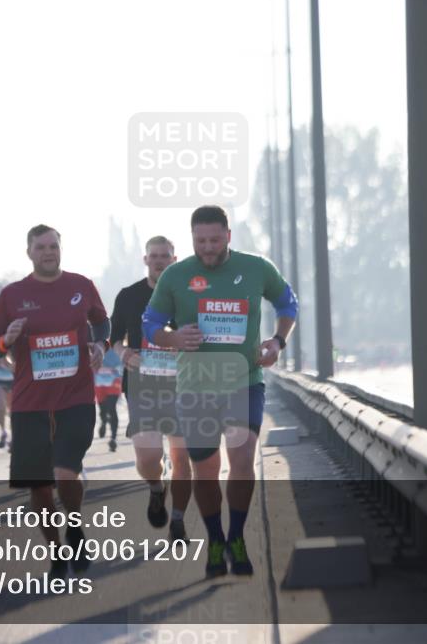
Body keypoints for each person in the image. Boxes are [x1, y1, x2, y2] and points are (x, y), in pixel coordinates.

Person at [143, 205, 297, 578]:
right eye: (201, 241)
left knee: (242, 461)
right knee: (206, 471)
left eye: (215, 240)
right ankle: (215, 539)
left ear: (228, 235)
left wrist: (277, 341)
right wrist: (173, 338)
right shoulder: (176, 276)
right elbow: (151, 323)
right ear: (192, 239)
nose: (208, 248)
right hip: (195, 388)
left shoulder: (256, 268)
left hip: (244, 382)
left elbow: (287, 302)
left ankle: (237, 536)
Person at [0, 224, 108, 579]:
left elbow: (102, 323)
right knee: (39, 488)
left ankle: (75, 525)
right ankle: (56, 554)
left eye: (53, 246)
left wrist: (101, 346)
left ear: (60, 249)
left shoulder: (81, 286)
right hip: (30, 403)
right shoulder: (12, 295)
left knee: (65, 472)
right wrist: (6, 340)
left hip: (76, 396)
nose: (48, 252)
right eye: (41, 247)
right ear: (29, 253)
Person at [111, 236, 193, 543]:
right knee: (148, 457)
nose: (159, 260)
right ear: (146, 259)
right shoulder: (128, 296)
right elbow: (114, 338)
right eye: (154, 256)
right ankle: (157, 488)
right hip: (141, 385)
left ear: (174, 259)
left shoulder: (188, 295)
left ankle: (178, 521)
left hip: (182, 386)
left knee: (181, 456)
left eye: (165, 255)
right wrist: (123, 353)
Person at [94, 347, 122, 452]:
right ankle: (104, 421)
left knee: (111, 408)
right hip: (99, 382)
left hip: (113, 380)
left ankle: (113, 438)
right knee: (103, 410)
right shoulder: (95, 340)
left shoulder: (114, 343)